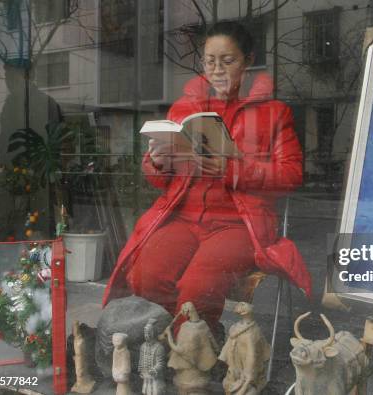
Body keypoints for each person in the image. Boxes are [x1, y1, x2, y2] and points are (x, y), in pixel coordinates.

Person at [103, 21, 311, 334]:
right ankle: (177, 342)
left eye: (228, 61)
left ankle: (191, 357)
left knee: (197, 287)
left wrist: (235, 171)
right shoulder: (185, 107)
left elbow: (292, 174)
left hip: (238, 223)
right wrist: (158, 163)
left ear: (248, 61)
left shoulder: (273, 111)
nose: (217, 69)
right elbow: (161, 181)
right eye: (210, 61)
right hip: (185, 217)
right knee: (148, 272)